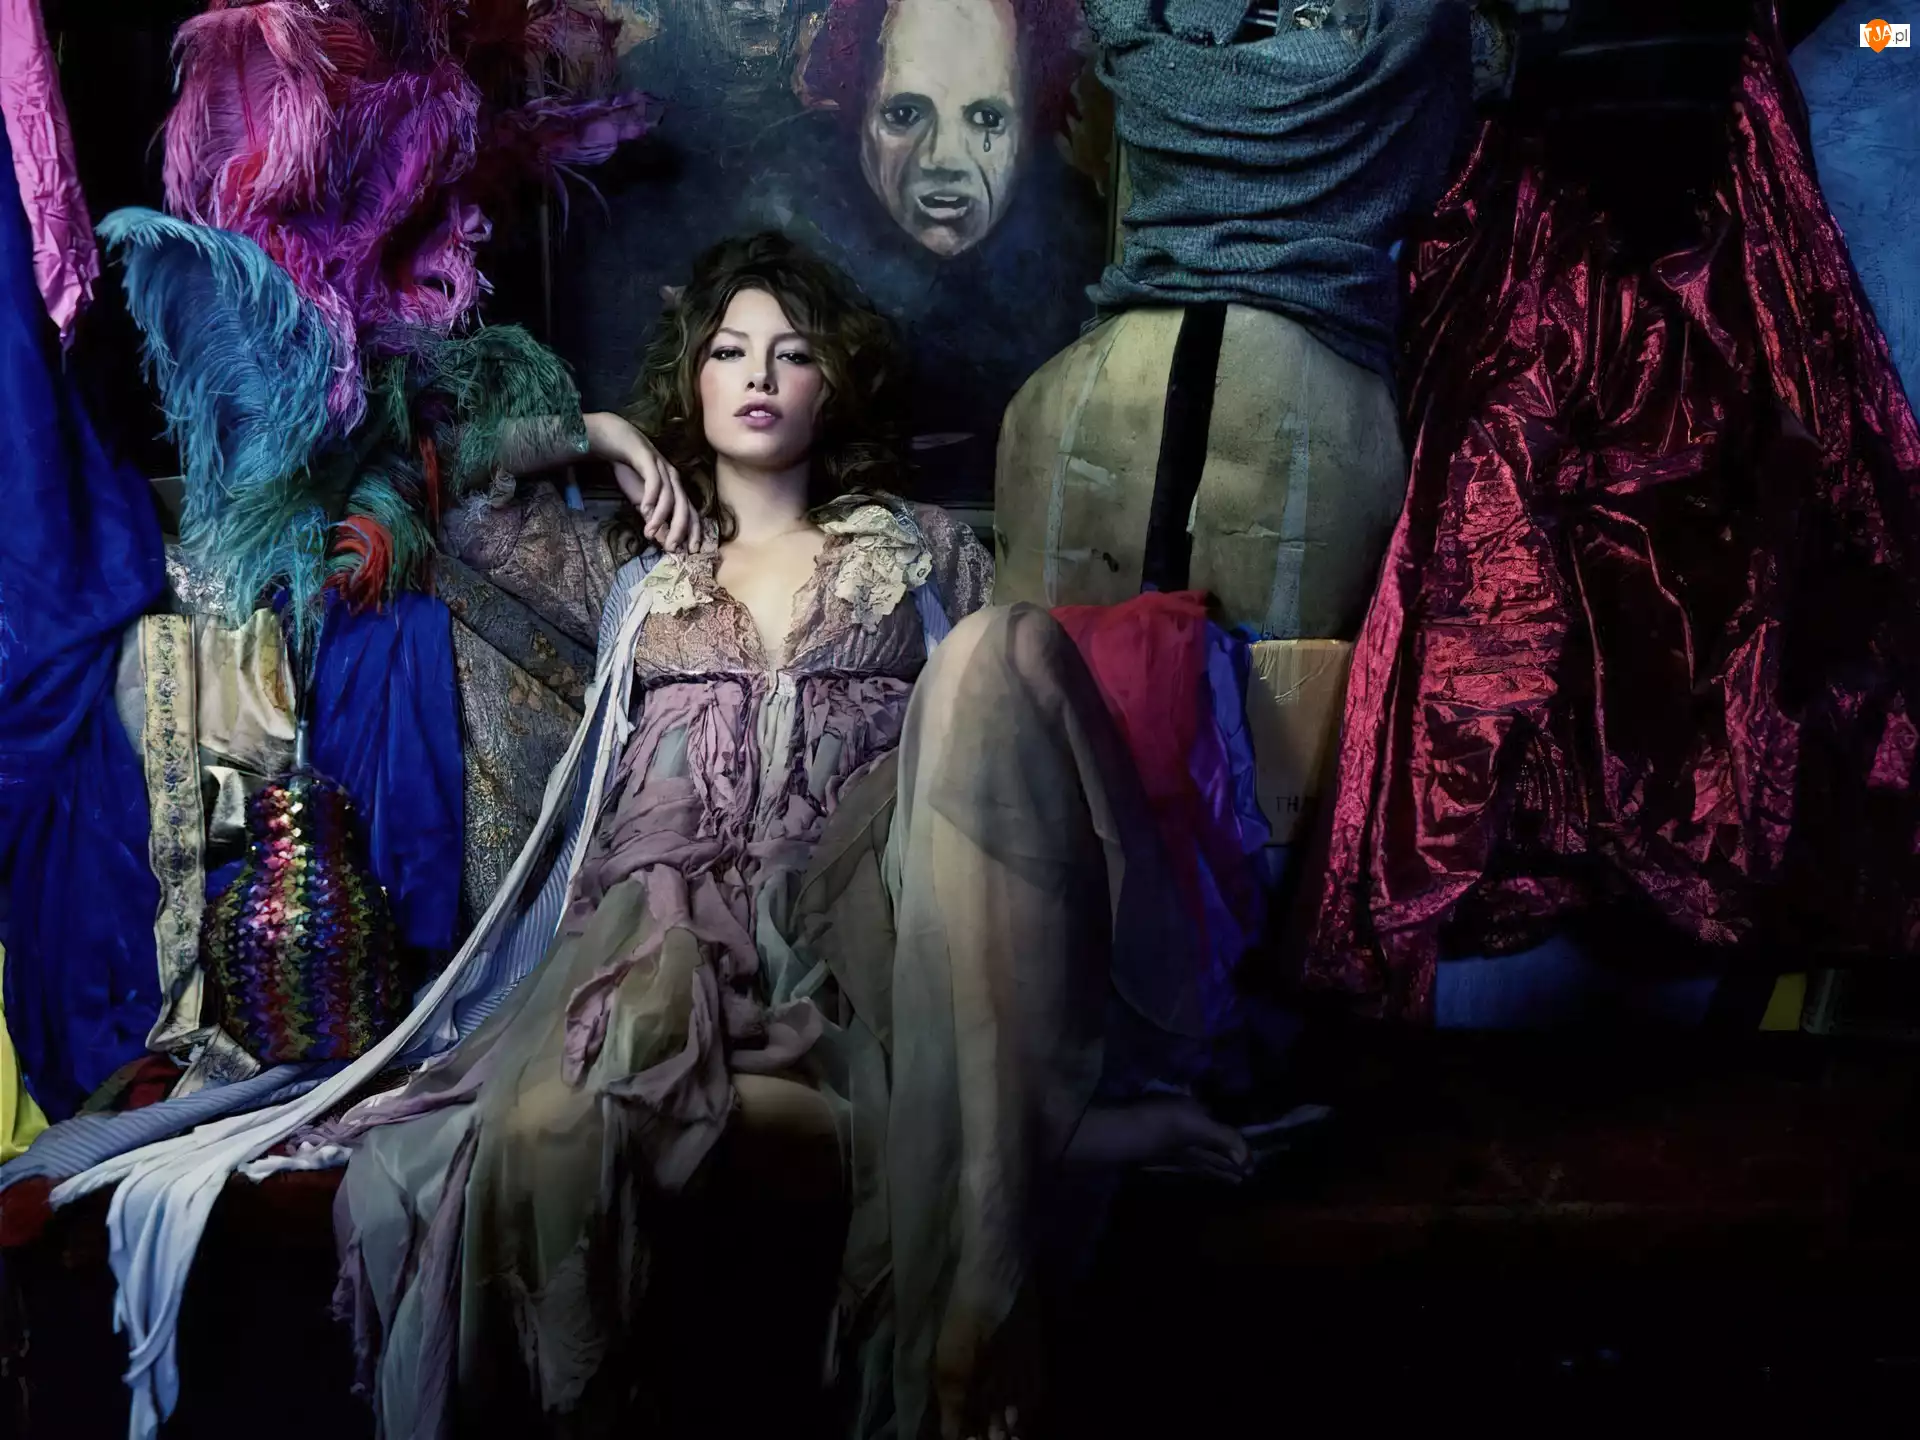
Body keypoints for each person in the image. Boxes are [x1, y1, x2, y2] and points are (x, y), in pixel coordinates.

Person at [332, 232, 1249, 1440]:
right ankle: (1055, 1136)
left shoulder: (920, 547)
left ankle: (998, 1245)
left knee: (1002, 647)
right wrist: (602, 434)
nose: (760, 374)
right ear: (693, 382)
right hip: (677, 937)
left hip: (875, 912)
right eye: (729, 351)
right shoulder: (625, 567)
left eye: (793, 352)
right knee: (555, 1128)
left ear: (832, 385)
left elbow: (1009, 765)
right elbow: (420, 473)